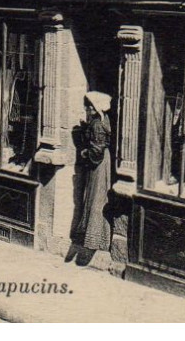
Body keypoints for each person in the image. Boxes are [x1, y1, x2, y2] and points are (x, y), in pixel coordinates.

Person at [74, 91, 112, 256]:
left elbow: (97, 149)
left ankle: (93, 239)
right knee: (99, 196)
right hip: (104, 161)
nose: (86, 109)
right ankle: (100, 237)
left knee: (96, 197)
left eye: (89, 106)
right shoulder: (102, 121)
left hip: (99, 163)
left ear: (95, 108)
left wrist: (84, 153)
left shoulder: (97, 124)